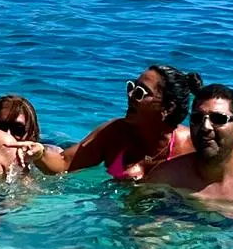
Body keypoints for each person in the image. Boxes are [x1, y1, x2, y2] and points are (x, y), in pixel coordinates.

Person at [30, 64, 200, 180]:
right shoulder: (114, 134)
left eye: (140, 93)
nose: (130, 95)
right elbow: (64, 163)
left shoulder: (189, 147)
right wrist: (39, 153)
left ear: (168, 107)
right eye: (131, 87)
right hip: (117, 213)